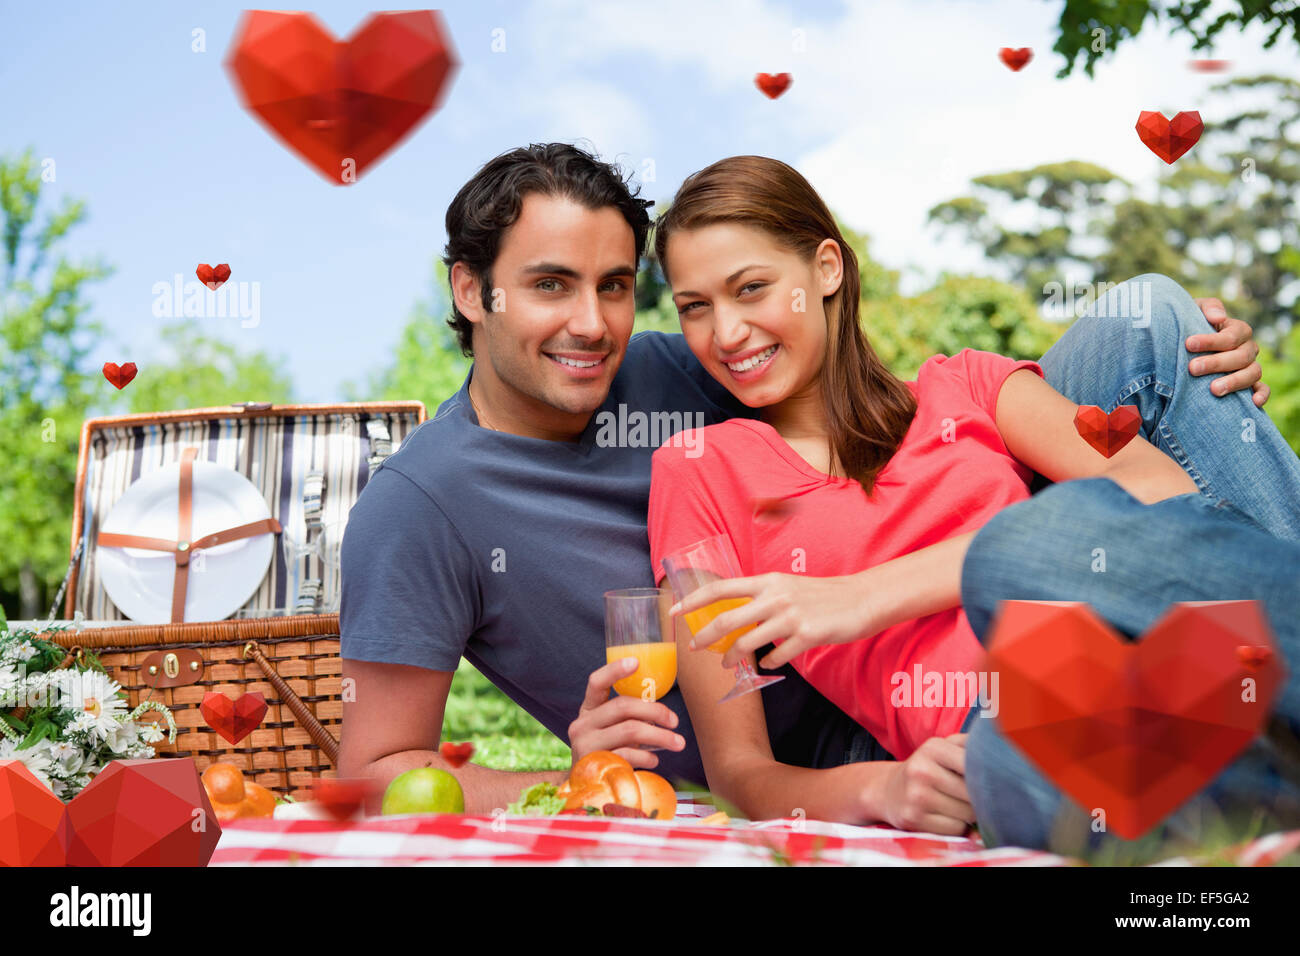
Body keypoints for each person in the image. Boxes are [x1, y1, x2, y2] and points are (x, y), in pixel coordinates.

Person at [338, 143, 1269, 817]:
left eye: (617, 285)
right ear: (471, 292)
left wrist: (1199, 387)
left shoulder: (688, 361)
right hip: (864, 740)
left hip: (1038, 610)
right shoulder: (427, 505)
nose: (591, 324)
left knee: (1151, 322)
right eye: (549, 285)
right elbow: (371, 772)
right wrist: (581, 777)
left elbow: (882, 408)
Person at [646, 154, 1300, 843]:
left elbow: (1163, 495)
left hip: (1163, 629)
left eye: (751, 289)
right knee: (1017, 738)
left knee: (1022, 546)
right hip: (1007, 725)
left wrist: (867, 594)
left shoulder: (969, 385)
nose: (725, 334)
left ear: (827, 269)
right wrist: (886, 786)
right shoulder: (699, 471)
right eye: (695, 308)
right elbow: (739, 771)